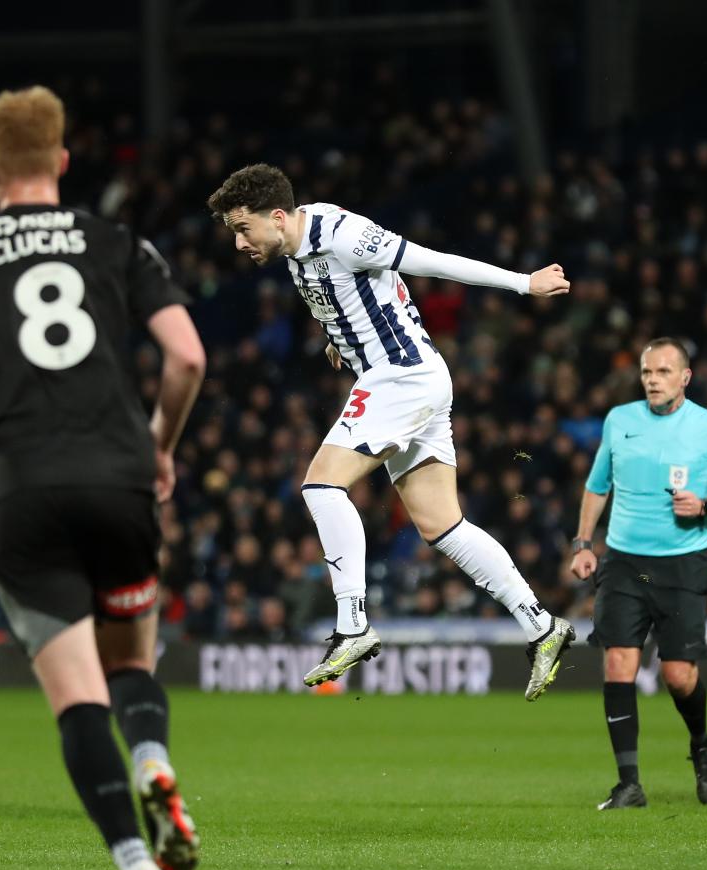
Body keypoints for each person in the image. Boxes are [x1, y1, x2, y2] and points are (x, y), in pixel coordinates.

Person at [0, 86, 206, 870]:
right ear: (64, 161)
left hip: (16, 492)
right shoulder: (116, 242)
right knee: (132, 665)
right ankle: (153, 760)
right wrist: (158, 443)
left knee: (76, 699)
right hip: (117, 479)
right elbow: (186, 356)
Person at [206, 163, 575, 700]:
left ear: (278, 216)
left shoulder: (344, 234)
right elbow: (363, 295)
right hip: (407, 379)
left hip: (403, 378)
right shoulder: (293, 250)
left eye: (243, 229)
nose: (238, 243)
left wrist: (524, 283)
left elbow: (432, 262)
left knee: (322, 485)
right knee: (442, 525)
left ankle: (352, 623)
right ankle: (542, 625)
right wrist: (343, 337)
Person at [570, 338, 707, 809]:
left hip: (684, 562)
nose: (652, 380)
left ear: (685, 378)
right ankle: (628, 783)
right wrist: (584, 543)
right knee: (617, 663)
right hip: (624, 562)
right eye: (648, 372)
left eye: (663, 372)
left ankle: (701, 743)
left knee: (677, 675)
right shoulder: (620, 420)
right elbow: (596, 486)